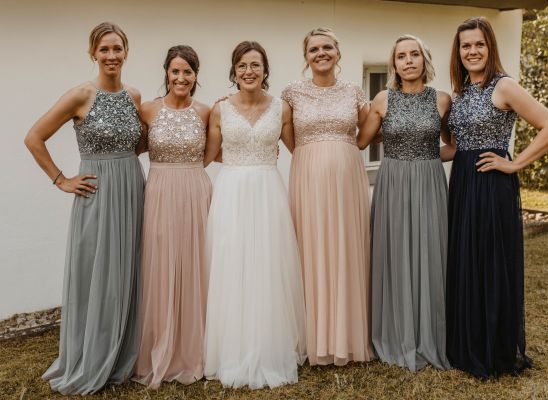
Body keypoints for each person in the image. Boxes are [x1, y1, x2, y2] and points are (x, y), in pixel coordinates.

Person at [23, 22, 144, 395]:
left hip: (132, 188)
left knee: (128, 268)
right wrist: (61, 180)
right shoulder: (80, 95)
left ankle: (123, 351)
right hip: (96, 191)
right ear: (93, 53)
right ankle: (90, 355)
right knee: (95, 271)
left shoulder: (135, 96)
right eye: (104, 49)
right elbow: (34, 137)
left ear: (126, 52)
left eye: (117, 48)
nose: (111, 55)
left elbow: (137, 145)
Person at [446, 17, 548, 378]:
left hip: (492, 183)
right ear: (458, 52)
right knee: (467, 258)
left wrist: (514, 164)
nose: (472, 51)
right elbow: (456, 147)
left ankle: (494, 349)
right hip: (463, 182)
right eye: (466, 45)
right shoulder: (460, 93)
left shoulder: (504, 85)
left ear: (490, 47)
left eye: (479, 44)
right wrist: (410, 154)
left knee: (490, 260)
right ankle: (467, 344)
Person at [202, 41, 306, 389]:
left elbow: (299, 150)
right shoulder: (219, 109)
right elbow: (208, 155)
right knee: (232, 262)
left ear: (265, 71)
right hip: (231, 191)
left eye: (255, 65)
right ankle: (231, 346)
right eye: (242, 65)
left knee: (267, 264)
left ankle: (268, 343)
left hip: (268, 191)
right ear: (234, 71)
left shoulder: (282, 108)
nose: (249, 71)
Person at [357, 34, 454, 371]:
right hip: (393, 183)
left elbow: (453, 146)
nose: (409, 61)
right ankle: (395, 332)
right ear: (394, 64)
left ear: (425, 60)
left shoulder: (442, 100)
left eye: (415, 54)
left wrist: (427, 159)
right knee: (394, 251)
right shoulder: (382, 99)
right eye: (402, 56)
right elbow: (360, 141)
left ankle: (429, 333)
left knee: (430, 251)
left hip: (429, 181)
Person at [282, 27, 372, 366]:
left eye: (327, 47)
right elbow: (284, 133)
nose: (321, 53)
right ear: (306, 57)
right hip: (308, 176)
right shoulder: (292, 93)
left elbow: (368, 132)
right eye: (314, 49)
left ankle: (346, 335)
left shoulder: (354, 91)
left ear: (338, 52)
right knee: (311, 246)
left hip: (348, 179)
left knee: (345, 247)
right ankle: (314, 336)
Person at [133, 45, 211, 389]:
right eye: (175, 71)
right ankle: (160, 344)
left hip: (195, 189)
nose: (181, 77)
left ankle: (195, 346)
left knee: (196, 263)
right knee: (160, 263)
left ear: (195, 75)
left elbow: (215, 152)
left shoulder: (206, 111)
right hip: (160, 192)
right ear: (166, 72)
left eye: (187, 71)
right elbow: (132, 149)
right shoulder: (148, 109)